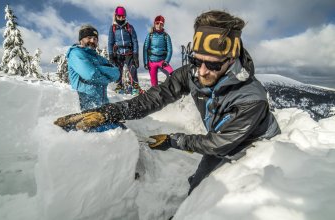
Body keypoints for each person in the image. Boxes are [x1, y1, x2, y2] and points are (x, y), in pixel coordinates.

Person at [55, 10, 281, 194]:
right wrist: (108, 113)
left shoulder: (251, 99)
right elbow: (154, 98)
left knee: (208, 199)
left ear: (231, 59)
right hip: (221, 139)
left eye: (212, 65)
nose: (201, 72)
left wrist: (173, 140)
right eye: (196, 60)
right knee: (198, 187)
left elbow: (217, 144)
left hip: (252, 149)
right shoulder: (192, 73)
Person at [66, 24, 122, 132]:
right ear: (81, 39)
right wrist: (106, 78)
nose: (92, 41)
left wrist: (97, 68)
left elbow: (116, 73)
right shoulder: (75, 53)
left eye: (95, 39)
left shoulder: (97, 57)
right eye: (89, 37)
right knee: (115, 132)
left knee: (119, 130)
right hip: (87, 110)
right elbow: (90, 74)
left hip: (103, 105)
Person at [108, 6, 141, 95]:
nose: (121, 18)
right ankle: (119, 86)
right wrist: (111, 55)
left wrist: (135, 54)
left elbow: (135, 41)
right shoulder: (113, 28)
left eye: (123, 16)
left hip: (129, 52)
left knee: (133, 69)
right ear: (116, 16)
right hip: (118, 53)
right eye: (119, 16)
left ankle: (135, 86)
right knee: (118, 70)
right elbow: (110, 42)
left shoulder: (129, 27)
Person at [143, 15, 173, 87]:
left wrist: (166, 61)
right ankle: (155, 95)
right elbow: (145, 49)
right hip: (152, 62)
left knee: (172, 74)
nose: (159, 25)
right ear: (154, 24)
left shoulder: (166, 36)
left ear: (163, 25)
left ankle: (170, 90)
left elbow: (170, 50)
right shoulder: (150, 35)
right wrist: (146, 62)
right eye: (157, 23)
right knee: (154, 84)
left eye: (161, 24)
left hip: (162, 61)